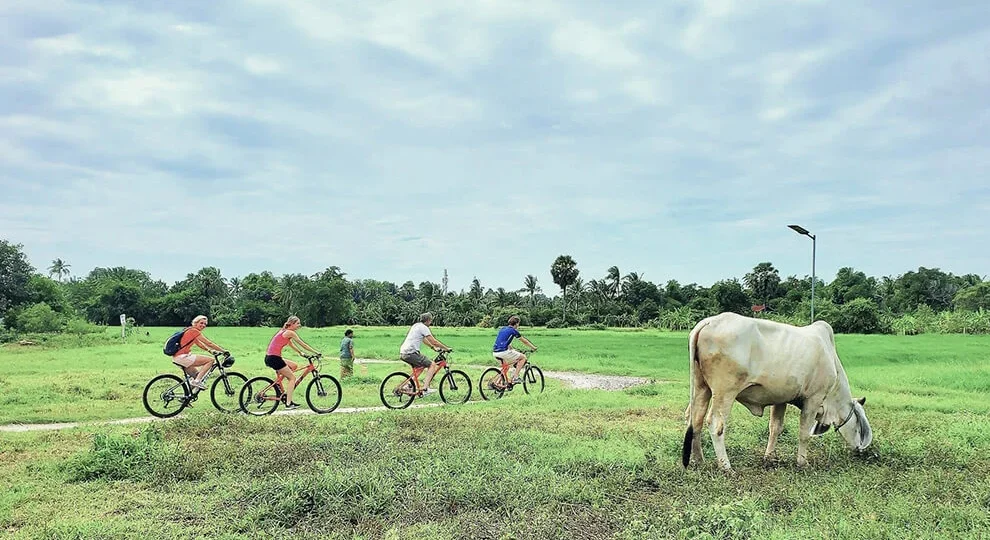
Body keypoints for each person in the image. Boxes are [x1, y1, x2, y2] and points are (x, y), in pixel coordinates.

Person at [265, 316, 322, 409]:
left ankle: (279, 383)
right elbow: (303, 344)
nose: (299, 325)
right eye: (297, 323)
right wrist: (316, 352)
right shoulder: (290, 332)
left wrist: (300, 353)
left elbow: (290, 344)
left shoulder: (284, 331)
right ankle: (288, 403)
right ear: (291, 324)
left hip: (270, 357)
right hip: (274, 358)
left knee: (294, 366)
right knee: (292, 378)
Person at [171, 315, 227, 392]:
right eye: (201, 323)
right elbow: (209, 343)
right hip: (182, 357)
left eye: (205, 324)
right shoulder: (194, 331)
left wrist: (210, 351)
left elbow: (199, 344)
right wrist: (223, 351)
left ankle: (186, 396)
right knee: (210, 360)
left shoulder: (189, 330)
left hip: (177, 358)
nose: (203, 325)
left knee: (197, 375)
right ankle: (197, 381)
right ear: (195, 323)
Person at [399, 312, 451, 395]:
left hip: (404, 352)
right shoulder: (424, 327)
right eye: (431, 320)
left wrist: (433, 347)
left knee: (420, 367)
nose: (431, 322)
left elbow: (423, 339)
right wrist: (446, 348)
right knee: (432, 365)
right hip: (411, 353)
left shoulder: (416, 325)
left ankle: (408, 386)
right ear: (428, 320)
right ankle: (426, 389)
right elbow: (434, 341)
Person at [493, 315, 538, 385]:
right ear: (516, 324)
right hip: (503, 352)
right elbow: (525, 341)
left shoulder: (503, 329)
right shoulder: (513, 331)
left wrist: (512, 348)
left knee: (506, 367)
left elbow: (504, 341)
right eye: (518, 324)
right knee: (523, 358)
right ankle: (515, 377)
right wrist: (533, 347)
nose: (518, 325)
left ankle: (497, 383)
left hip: (495, 352)